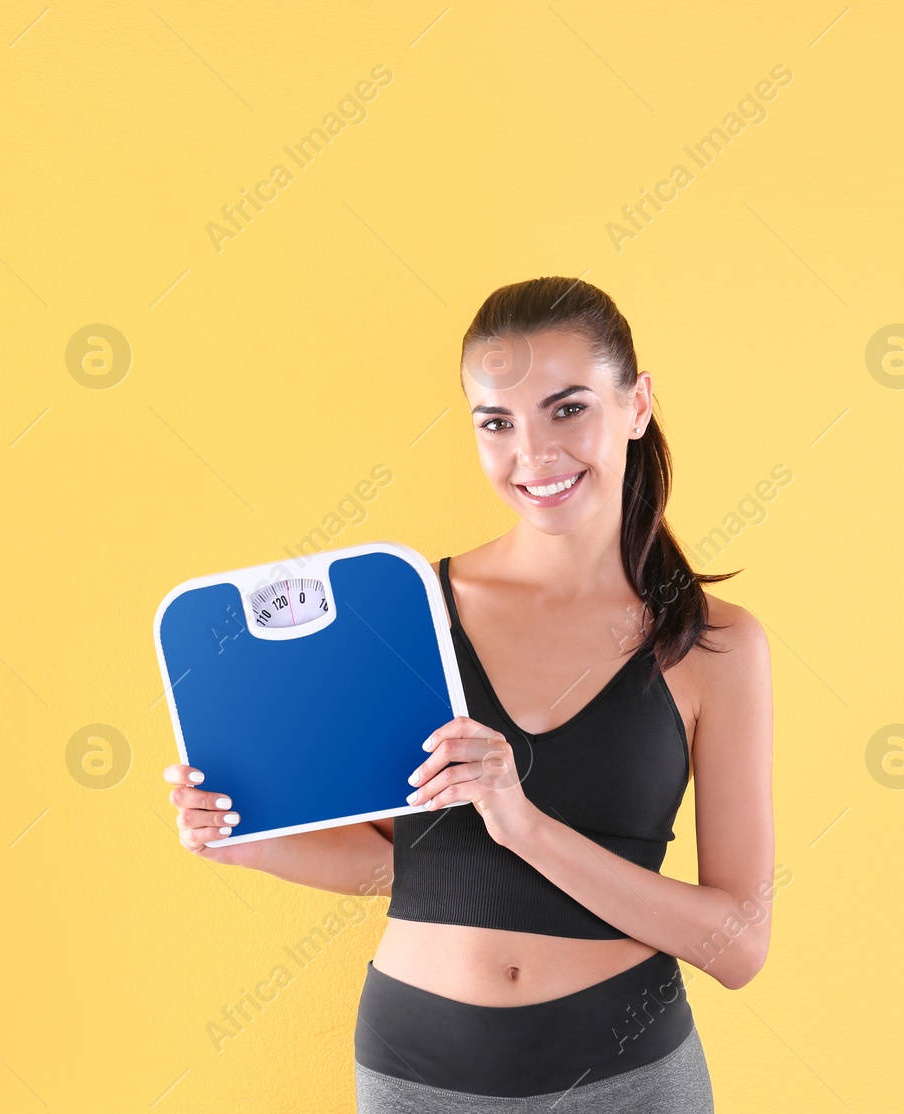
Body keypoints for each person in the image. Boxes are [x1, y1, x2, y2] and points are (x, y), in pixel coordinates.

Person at [163, 276, 774, 1112]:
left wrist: (523, 824)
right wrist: (249, 840)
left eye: (568, 408)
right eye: (498, 422)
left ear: (636, 406)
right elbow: (401, 867)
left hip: (627, 1082)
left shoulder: (714, 644)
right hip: (418, 1078)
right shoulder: (401, 612)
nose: (534, 454)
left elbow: (739, 944)